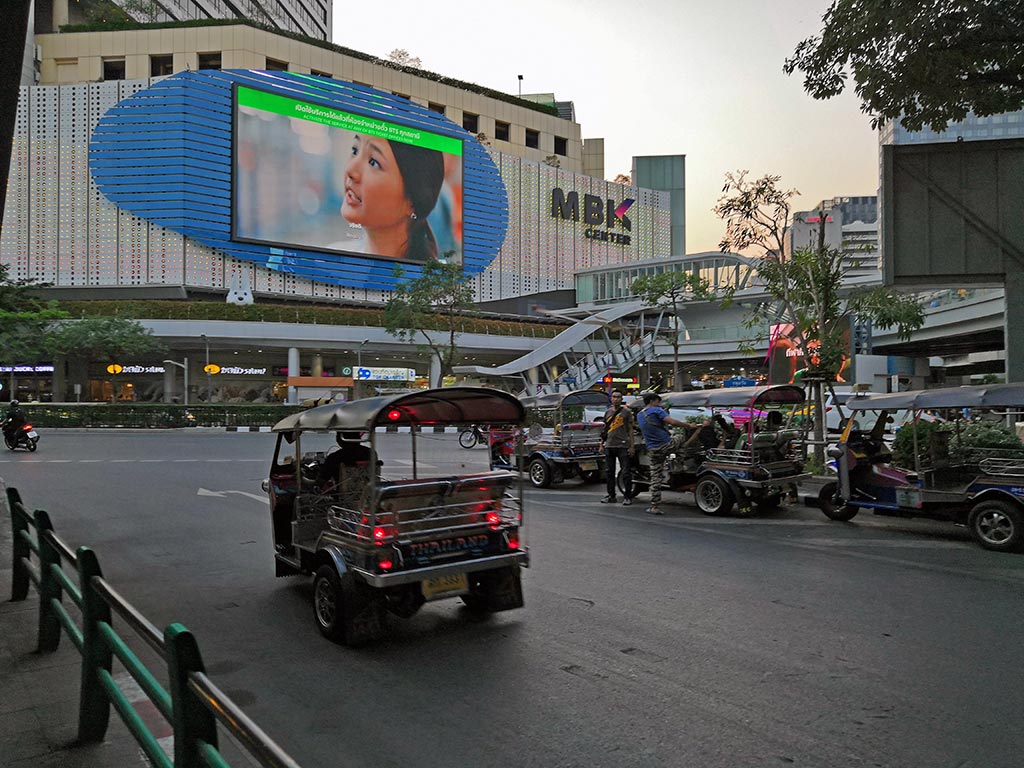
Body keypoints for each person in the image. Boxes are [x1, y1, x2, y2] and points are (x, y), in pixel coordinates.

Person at [340, 133, 445, 262]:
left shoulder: (434, 279)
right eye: (354, 151)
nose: (350, 171)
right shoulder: (334, 258)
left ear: (412, 201)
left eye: (373, 162)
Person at [636, 392, 693, 515]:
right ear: (653, 401)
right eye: (658, 401)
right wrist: (689, 425)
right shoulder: (656, 410)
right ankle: (682, 462)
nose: (659, 404)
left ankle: (654, 506)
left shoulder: (639, 415)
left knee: (655, 477)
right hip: (667, 445)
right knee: (681, 437)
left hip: (653, 449)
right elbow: (672, 422)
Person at [318, 430, 377, 500]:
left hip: (343, 499)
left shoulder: (335, 457)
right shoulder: (371, 453)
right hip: (369, 498)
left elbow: (321, 481)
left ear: (341, 438)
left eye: (337, 436)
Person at [599, 390, 635, 506]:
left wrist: (631, 446)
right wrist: (601, 444)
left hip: (623, 445)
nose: (616, 399)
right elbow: (605, 430)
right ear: (611, 399)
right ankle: (611, 495)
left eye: (618, 397)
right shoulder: (608, 412)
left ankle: (627, 496)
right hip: (609, 445)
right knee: (609, 472)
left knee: (626, 472)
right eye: (614, 397)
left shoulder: (626, 412)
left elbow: (630, 430)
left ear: (621, 399)